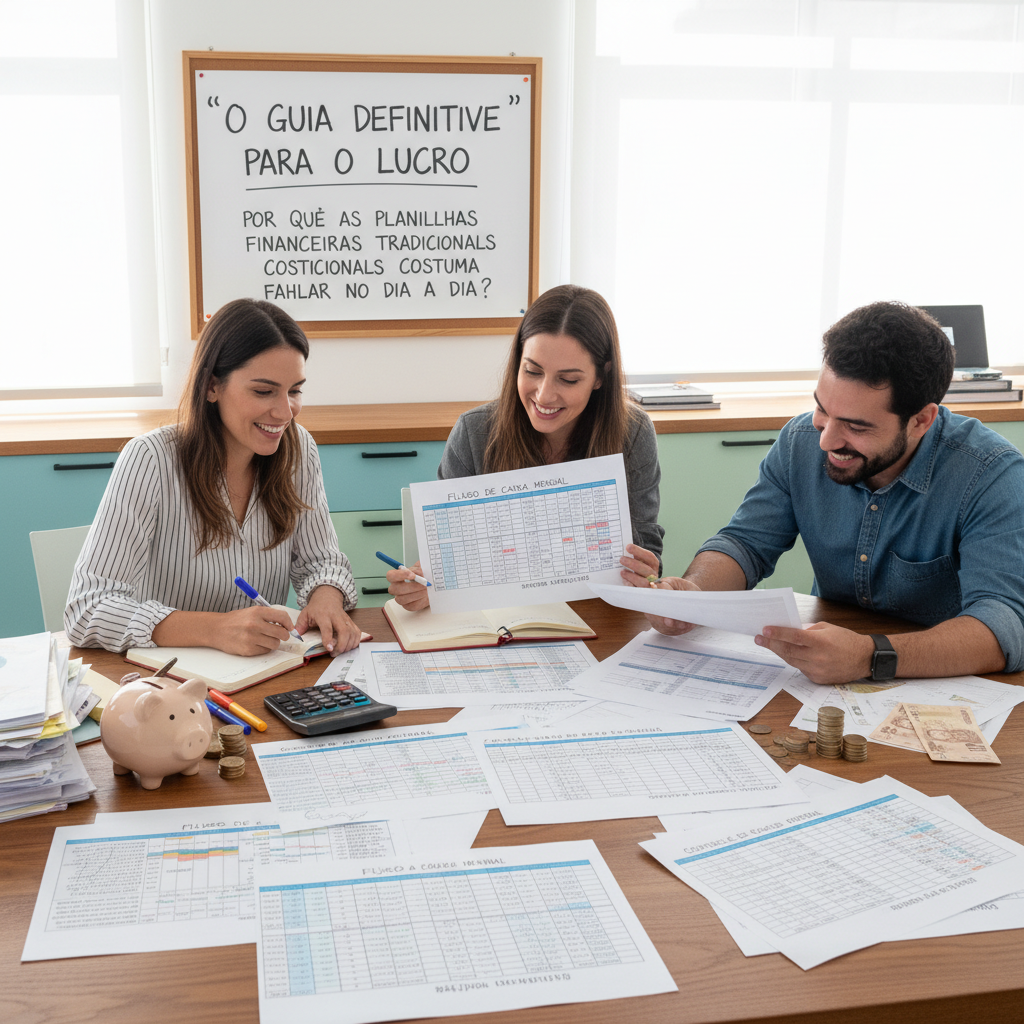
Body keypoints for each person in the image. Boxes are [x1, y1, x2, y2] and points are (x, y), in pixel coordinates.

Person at [620, 301, 1024, 684]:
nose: (827, 440)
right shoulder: (799, 441)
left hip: (945, 686)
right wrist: (695, 595)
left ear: (921, 420)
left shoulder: (991, 475)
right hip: (826, 681)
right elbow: (745, 543)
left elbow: (1003, 627)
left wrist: (870, 656)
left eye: (856, 427)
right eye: (822, 409)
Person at [66, 298, 360, 656]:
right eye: (264, 391)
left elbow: (321, 561)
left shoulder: (298, 449)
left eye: (295, 390)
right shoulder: (151, 459)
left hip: (261, 674)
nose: (285, 412)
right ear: (211, 387)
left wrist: (326, 597)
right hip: (169, 684)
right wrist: (216, 629)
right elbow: (87, 609)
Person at [388, 284, 663, 610]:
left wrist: (646, 572)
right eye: (532, 371)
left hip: (599, 619)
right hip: (499, 625)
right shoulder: (474, 433)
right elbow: (446, 561)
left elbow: (648, 551)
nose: (544, 395)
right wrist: (426, 586)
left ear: (601, 377)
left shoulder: (633, 433)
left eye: (569, 379)